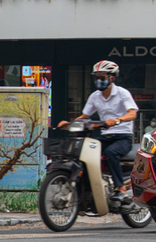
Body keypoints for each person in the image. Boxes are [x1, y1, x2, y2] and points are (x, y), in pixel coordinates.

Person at [59, 61, 138, 195]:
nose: (98, 81)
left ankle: (120, 187)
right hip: (105, 136)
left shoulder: (123, 93)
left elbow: (132, 113)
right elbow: (85, 116)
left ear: (111, 78)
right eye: (96, 78)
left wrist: (117, 120)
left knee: (111, 152)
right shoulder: (94, 96)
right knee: (84, 151)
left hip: (122, 137)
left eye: (101, 78)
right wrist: (68, 124)